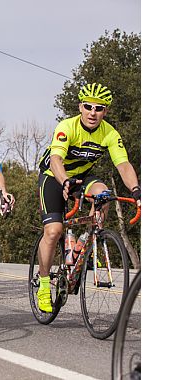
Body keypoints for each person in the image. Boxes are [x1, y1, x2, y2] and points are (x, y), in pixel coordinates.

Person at [35, 83, 141, 313]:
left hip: (83, 178)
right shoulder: (67, 126)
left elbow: (123, 164)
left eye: (99, 108)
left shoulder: (110, 133)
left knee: (104, 194)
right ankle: (43, 285)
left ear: (106, 111)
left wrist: (136, 190)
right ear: (80, 107)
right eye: (88, 107)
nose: (93, 112)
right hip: (54, 177)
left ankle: (87, 243)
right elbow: (56, 160)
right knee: (53, 231)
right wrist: (64, 181)